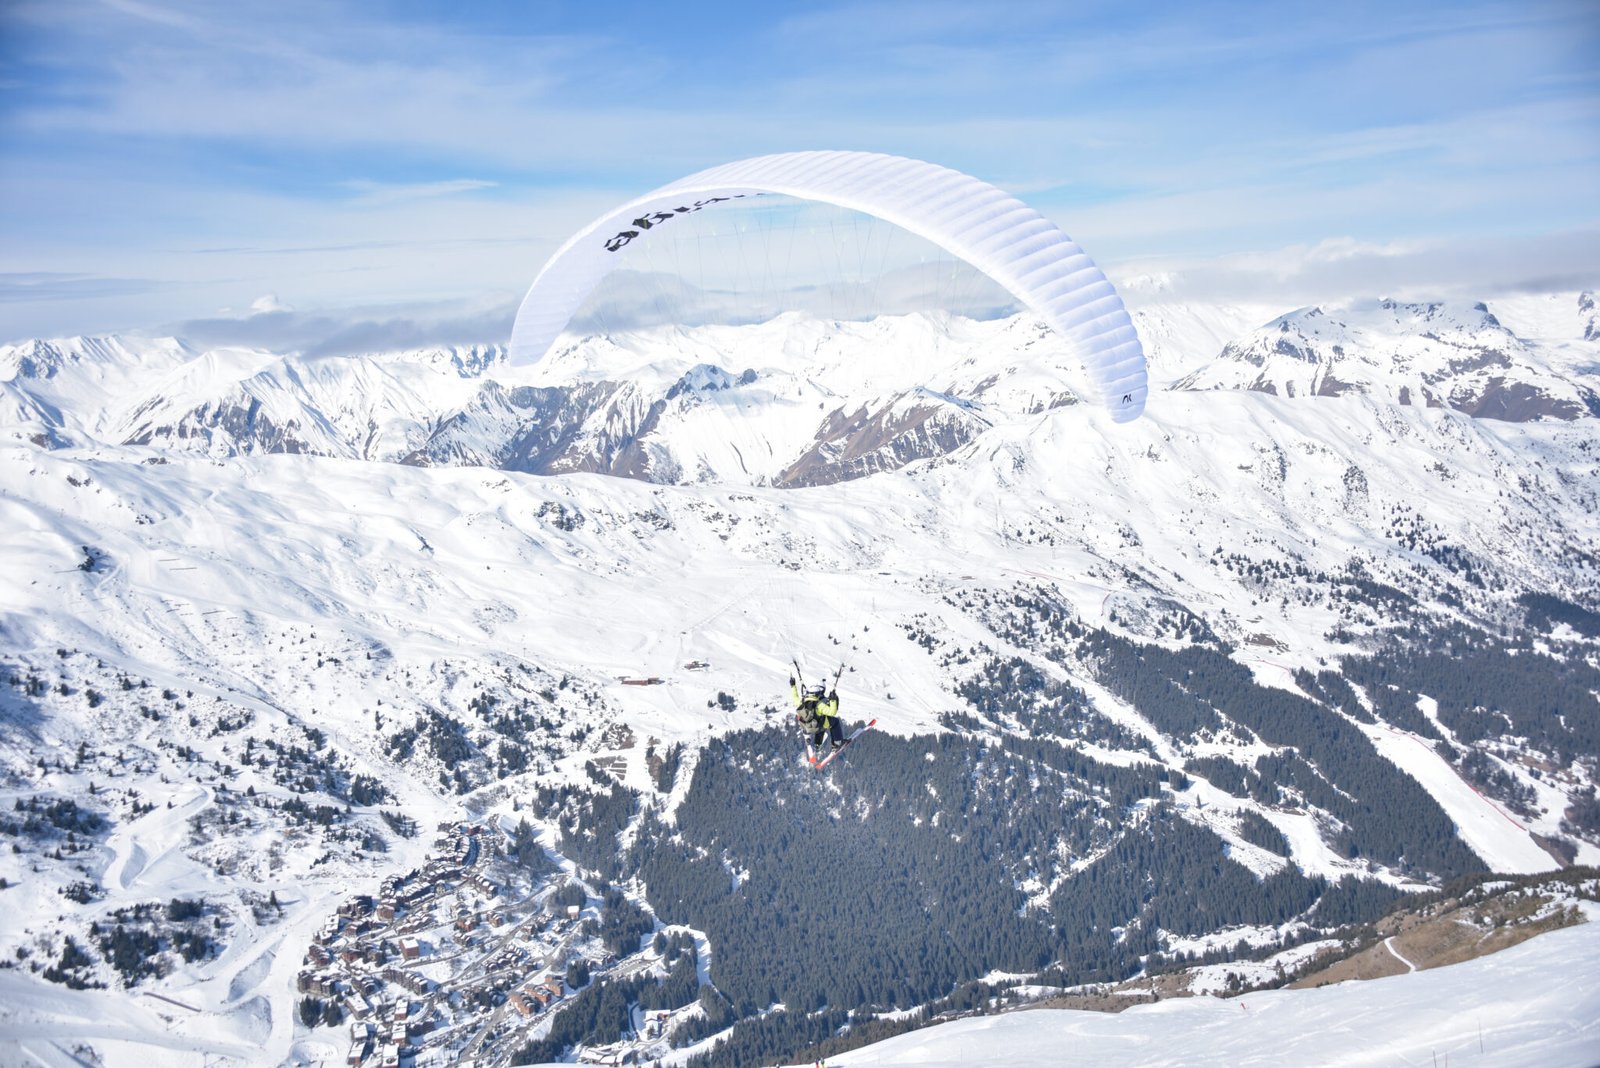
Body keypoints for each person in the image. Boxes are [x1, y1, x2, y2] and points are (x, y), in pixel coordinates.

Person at [790, 675, 843, 755]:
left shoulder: (802, 702)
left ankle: (818, 745)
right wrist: (833, 700)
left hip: (806, 728)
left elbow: (795, 698)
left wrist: (793, 686)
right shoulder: (820, 705)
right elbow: (833, 712)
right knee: (834, 721)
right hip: (818, 727)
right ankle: (837, 743)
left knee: (819, 720)